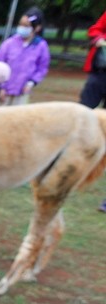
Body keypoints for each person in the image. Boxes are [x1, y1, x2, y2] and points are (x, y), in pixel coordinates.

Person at [78, 10, 106, 211]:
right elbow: (95, 29)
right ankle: (64, 166)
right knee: (80, 116)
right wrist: (100, 38)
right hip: (100, 74)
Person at [0, 7, 50, 105]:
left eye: (26, 25)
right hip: (4, 91)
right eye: (21, 24)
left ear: (37, 28)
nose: (22, 28)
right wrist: (1, 86)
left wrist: (31, 83)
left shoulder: (41, 46)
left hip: (22, 91)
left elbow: (42, 68)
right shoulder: (9, 43)